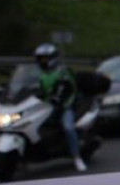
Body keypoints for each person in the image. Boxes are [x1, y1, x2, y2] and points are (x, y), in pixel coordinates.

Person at [33, 43, 86, 172]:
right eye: (40, 59)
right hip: (45, 107)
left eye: (45, 58)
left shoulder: (63, 72)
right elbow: (35, 90)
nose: (42, 61)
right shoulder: (39, 75)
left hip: (64, 107)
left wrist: (62, 103)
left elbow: (71, 89)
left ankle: (77, 157)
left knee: (68, 127)